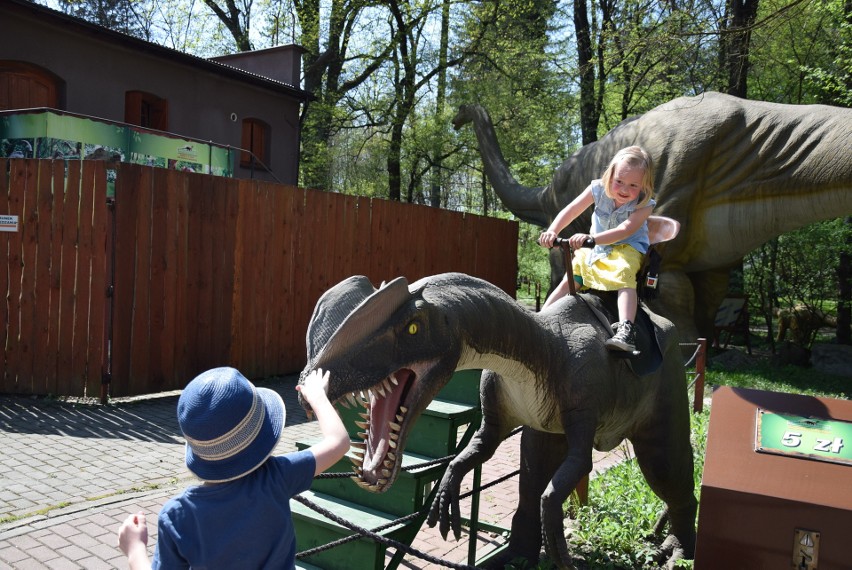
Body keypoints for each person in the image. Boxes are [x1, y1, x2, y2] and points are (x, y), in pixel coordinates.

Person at [117, 366, 349, 569]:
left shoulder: (178, 516)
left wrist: (135, 549)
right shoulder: (276, 477)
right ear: (263, 434)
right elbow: (339, 442)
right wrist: (318, 396)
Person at [538, 145, 656, 352]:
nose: (624, 190)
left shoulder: (644, 205)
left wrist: (592, 238)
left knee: (624, 272)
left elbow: (624, 230)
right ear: (610, 175)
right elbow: (572, 209)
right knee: (572, 276)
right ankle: (539, 320)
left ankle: (627, 329)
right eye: (619, 181)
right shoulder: (598, 189)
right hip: (595, 246)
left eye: (633, 185)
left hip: (627, 246)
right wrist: (552, 231)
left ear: (644, 186)